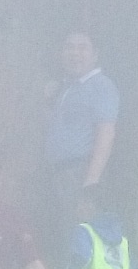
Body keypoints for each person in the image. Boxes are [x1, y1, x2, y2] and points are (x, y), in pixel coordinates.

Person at [43, 26, 120, 233]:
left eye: (82, 48)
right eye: (69, 47)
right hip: (58, 174)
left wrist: (91, 181)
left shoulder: (101, 85)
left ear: (95, 55)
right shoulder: (67, 87)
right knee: (63, 237)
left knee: (83, 238)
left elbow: (106, 132)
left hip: (80, 173)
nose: (75, 53)